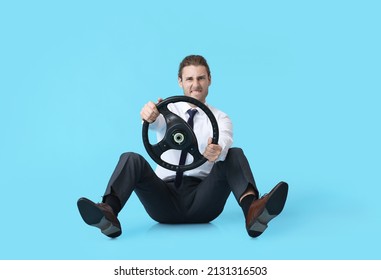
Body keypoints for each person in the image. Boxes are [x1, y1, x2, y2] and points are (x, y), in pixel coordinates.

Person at [77, 55, 288, 238]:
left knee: (233, 154)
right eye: (189, 79)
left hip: (203, 200)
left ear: (209, 80)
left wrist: (216, 151)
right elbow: (151, 121)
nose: (195, 84)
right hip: (163, 200)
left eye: (200, 78)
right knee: (131, 158)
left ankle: (253, 212)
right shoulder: (166, 110)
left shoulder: (221, 118)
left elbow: (223, 142)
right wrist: (149, 114)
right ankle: (108, 215)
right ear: (180, 82)